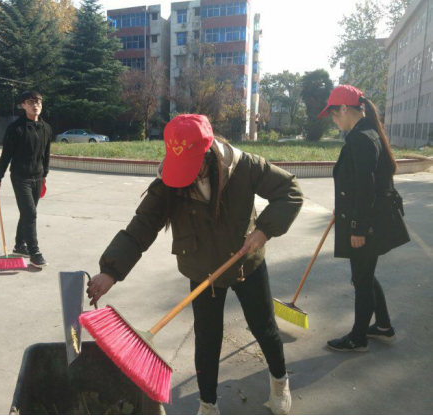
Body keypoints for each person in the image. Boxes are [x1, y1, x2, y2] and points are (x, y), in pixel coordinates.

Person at [86, 115, 304, 415]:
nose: (185, 176)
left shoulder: (243, 166)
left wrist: (264, 230)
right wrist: (110, 271)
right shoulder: (169, 181)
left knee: (263, 327)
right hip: (202, 271)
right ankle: (208, 403)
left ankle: (279, 380)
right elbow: (143, 225)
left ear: (208, 152)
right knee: (207, 339)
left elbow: (290, 191)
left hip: (245, 263)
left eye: (192, 166)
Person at [318, 85, 410, 352]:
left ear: (344, 108)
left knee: (361, 280)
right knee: (365, 275)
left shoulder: (361, 139)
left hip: (368, 224)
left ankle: (358, 338)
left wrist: (357, 227)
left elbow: (367, 188)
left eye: (334, 114)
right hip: (373, 218)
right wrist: (344, 209)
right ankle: (383, 326)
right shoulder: (369, 134)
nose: (334, 120)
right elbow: (361, 185)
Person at [0, 91, 52, 269]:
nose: (35, 105)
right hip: (20, 177)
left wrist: (45, 174)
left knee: (27, 213)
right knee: (30, 213)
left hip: (38, 177)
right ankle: (35, 253)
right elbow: (6, 155)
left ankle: (19, 245)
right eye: (30, 102)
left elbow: (46, 153)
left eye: (38, 102)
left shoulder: (46, 128)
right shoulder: (15, 128)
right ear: (23, 105)